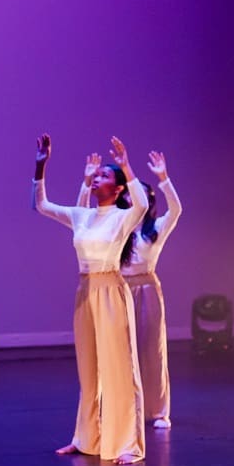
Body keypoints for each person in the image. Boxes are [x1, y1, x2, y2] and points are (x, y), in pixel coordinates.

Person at [33, 134, 148, 465]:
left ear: (118, 188)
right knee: (89, 369)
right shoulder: (81, 216)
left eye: (105, 176)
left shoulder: (122, 216)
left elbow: (141, 205)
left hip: (111, 290)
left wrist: (127, 165)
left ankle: (128, 444)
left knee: (119, 368)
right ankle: (86, 438)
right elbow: (40, 205)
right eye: (96, 176)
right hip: (85, 291)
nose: (98, 178)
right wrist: (41, 164)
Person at [76, 150, 182, 428]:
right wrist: (87, 183)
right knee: (116, 349)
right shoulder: (114, 224)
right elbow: (82, 215)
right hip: (118, 288)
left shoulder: (156, 228)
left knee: (151, 349)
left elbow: (177, 210)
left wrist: (163, 178)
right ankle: (114, 407)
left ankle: (158, 411)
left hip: (146, 288)